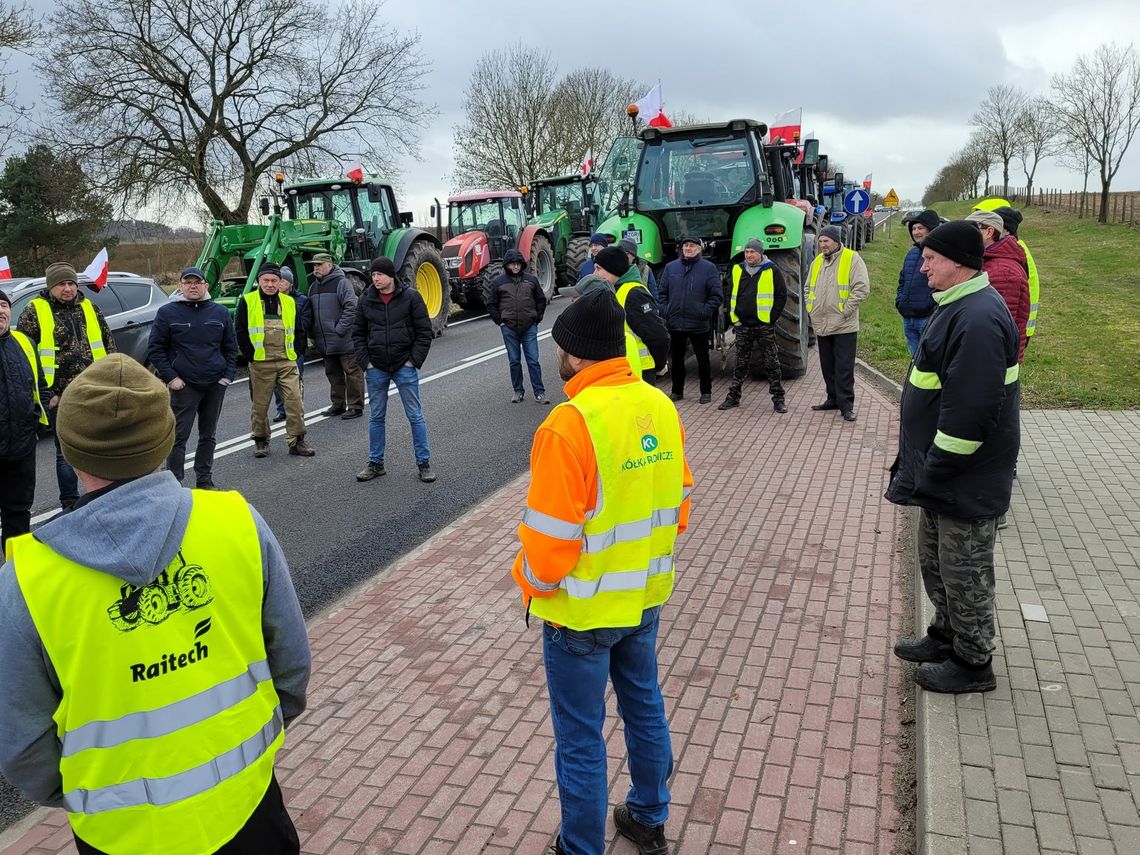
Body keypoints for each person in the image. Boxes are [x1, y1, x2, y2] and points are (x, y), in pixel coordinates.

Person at [0, 353, 311, 854]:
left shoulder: (25, 579)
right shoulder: (237, 523)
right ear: (167, 440)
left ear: (70, 452)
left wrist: (89, 791)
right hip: (248, 807)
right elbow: (291, 666)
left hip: (120, 833)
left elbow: (22, 742)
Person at [511, 289, 693, 855]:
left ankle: (581, 847)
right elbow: (679, 503)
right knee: (644, 705)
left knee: (581, 740)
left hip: (581, 612)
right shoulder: (658, 405)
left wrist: (534, 590)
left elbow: (548, 545)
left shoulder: (569, 423)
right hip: (643, 594)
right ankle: (648, 817)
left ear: (579, 356)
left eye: (560, 348)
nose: (557, 357)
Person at [886, 221, 1019, 694]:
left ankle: (973, 662)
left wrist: (938, 466)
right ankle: (946, 635)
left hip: (964, 475)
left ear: (959, 263)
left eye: (930, 259)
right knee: (936, 562)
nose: (922, 267)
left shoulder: (978, 317)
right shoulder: (957, 304)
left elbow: (972, 412)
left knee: (965, 571)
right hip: (942, 472)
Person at [17, 262, 116, 509]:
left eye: (71, 283)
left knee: (100, 445)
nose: (68, 288)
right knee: (66, 453)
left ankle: (105, 495)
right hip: (59, 396)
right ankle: (70, 503)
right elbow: (26, 354)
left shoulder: (90, 308)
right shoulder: (34, 311)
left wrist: (112, 381)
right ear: (51, 286)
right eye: (62, 284)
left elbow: (109, 345)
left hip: (95, 390)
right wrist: (45, 393)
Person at [147, 266, 238, 489]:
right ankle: (175, 484)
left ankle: (204, 480)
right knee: (178, 437)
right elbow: (155, 349)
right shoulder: (167, 313)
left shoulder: (219, 313)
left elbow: (231, 348)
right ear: (180, 286)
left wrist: (226, 377)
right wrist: (171, 378)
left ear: (205, 286)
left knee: (208, 436)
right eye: (188, 282)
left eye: (197, 282)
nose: (193, 286)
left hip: (214, 384)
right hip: (184, 385)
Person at [353, 256, 436, 483]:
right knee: (376, 417)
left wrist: (412, 361)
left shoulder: (411, 297)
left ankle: (424, 463)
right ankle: (375, 463)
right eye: (373, 275)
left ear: (390, 275)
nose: (375, 279)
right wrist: (366, 364)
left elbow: (424, 332)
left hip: (404, 366)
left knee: (415, 416)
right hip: (376, 367)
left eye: (380, 274)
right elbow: (358, 333)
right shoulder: (366, 299)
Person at [235, 264, 315, 458]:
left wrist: (297, 352)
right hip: (261, 363)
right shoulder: (247, 301)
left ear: (280, 282)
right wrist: (250, 356)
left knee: (295, 402)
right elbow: (241, 331)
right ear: (259, 281)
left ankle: (297, 441)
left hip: (287, 360)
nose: (270, 284)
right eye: (266, 280)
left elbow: (298, 330)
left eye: (274, 281)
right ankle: (261, 441)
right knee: (260, 407)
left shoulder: (289, 302)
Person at [0, 288, 49, 549]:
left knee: (18, 513)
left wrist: (36, 423)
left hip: (21, 446)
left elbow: (39, 383)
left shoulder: (24, 342)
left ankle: (14, 570)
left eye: (4, 305)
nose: (0, 311)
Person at [807, 225, 870, 422]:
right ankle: (832, 399)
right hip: (822, 322)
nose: (822, 244)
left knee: (844, 367)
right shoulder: (817, 261)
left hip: (844, 324)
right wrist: (811, 307)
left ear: (836, 241)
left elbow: (862, 288)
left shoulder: (852, 258)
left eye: (826, 241)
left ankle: (846, 406)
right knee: (827, 366)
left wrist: (845, 310)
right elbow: (808, 286)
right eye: (820, 241)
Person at [717, 238, 788, 413]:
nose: (749, 255)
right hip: (743, 326)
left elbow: (781, 295)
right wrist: (734, 319)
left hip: (764, 326)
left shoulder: (772, 270)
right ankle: (733, 397)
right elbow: (729, 295)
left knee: (771, 363)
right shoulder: (737, 270)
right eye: (747, 252)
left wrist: (771, 319)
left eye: (752, 252)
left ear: (760, 253)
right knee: (740, 363)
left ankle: (778, 399)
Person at [589, 246, 669, 383]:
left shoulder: (634, 294)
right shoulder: (612, 290)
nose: (594, 273)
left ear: (613, 270)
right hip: (619, 372)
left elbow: (658, 335)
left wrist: (660, 364)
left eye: (598, 268)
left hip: (639, 373)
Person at [657, 236, 722, 403]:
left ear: (699, 249)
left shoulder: (708, 268)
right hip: (675, 323)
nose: (688, 248)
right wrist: (666, 311)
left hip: (698, 323)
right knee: (677, 360)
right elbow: (662, 293)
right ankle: (677, 391)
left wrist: (704, 312)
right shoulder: (671, 268)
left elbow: (716, 296)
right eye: (685, 246)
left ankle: (705, 392)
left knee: (703, 359)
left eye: (692, 246)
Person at [485, 248, 549, 404]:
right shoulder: (499, 282)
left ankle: (539, 393)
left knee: (533, 360)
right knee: (514, 360)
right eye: (512, 264)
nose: (515, 267)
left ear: (522, 264)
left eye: (518, 264)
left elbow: (541, 299)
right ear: (507, 265)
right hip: (509, 327)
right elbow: (491, 303)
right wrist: (500, 321)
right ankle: (518, 391)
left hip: (529, 326)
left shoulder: (531, 280)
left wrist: (537, 317)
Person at [304, 253, 364, 419]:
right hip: (325, 341)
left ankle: (355, 406)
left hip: (343, 340)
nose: (315, 268)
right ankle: (338, 404)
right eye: (314, 265)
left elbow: (351, 307)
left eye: (319, 265)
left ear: (329, 265)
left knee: (352, 372)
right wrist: (314, 334)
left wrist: (340, 330)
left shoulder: (342, 283)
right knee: (333, 374)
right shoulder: (313, 287)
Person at [965, 210, 1029, 362]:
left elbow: (996, 327)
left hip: (994, 358)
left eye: (971, 230)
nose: (965, 236)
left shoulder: (1003, 271)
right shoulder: (989, 260)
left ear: (989, 231)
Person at [272, 266, 313, 424]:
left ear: (290, 284)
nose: (279, 284)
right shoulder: (269, 301)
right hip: (276, 349)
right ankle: (282, 410)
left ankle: (297, 410)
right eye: (278, 280)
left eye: (283, 281)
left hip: (295, 348)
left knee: (295, 383)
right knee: (277, 383)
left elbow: (306, 323)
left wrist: (289, 312)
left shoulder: (302, 301)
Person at [896, 210, 941, 355]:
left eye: (920, 228)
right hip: (908, 317)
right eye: (913, 228)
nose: (916, 232)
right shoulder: (912, 253)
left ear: (931, 229)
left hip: (927, 317)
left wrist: (932, 307)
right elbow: (902, 279)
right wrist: (900, 301)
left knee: (929, 360)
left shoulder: (939, 254)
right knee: (915, 361)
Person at [994, 206, 1040, 343]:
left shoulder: (1014, 252)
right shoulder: (1015, 247)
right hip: (1021, 322)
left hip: (1020, 324)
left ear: (1006, 229)